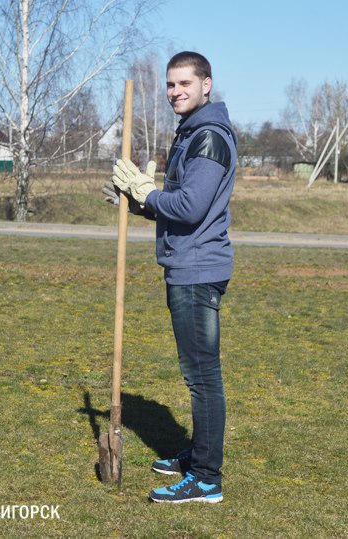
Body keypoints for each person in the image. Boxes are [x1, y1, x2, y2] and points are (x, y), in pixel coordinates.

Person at [106, 51, 237, 503]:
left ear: (207, 84)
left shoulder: (207, 138)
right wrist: (137, 201)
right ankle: (198, 453)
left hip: (197, 271)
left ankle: (205, 479)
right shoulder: (191, 133)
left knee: (202, 376)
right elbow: (177, 209)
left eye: (185, 83)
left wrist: (151, 194)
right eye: (169, 84)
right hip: (188, 264)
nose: (175, 91)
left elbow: (190, 207)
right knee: (198, 371)